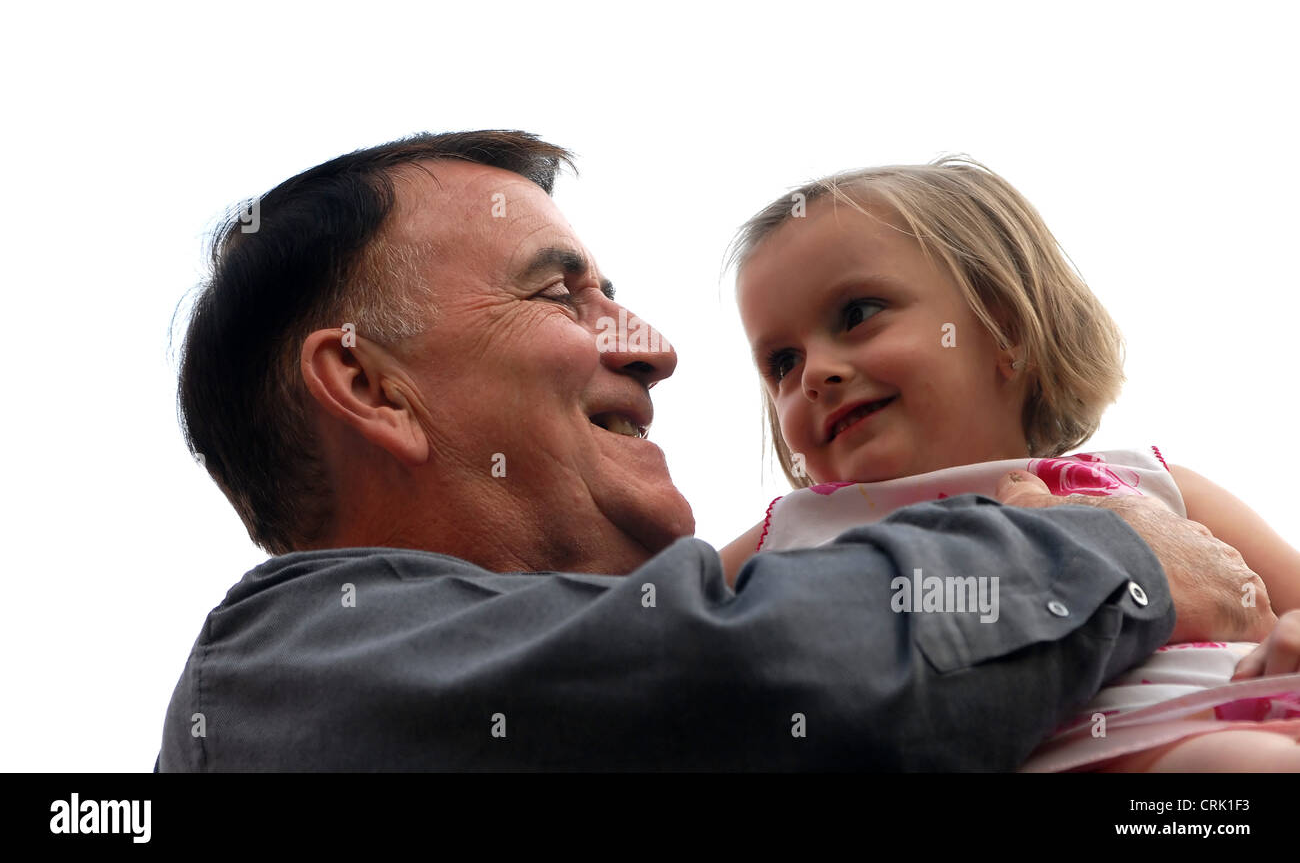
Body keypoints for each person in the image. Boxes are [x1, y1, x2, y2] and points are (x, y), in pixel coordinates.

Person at [156, 132, 1273, 771]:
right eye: (560, 293)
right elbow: (750, 666)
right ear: (368, 387)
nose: (658, 354)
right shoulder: (281, 684)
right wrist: (1097, 560)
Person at [720, 156, 1300, 770]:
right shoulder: (788, 532)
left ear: (1004, 326)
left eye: (858, 315)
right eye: (782, 361)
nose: (814, 373)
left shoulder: (1151, 483)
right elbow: (628, 637)